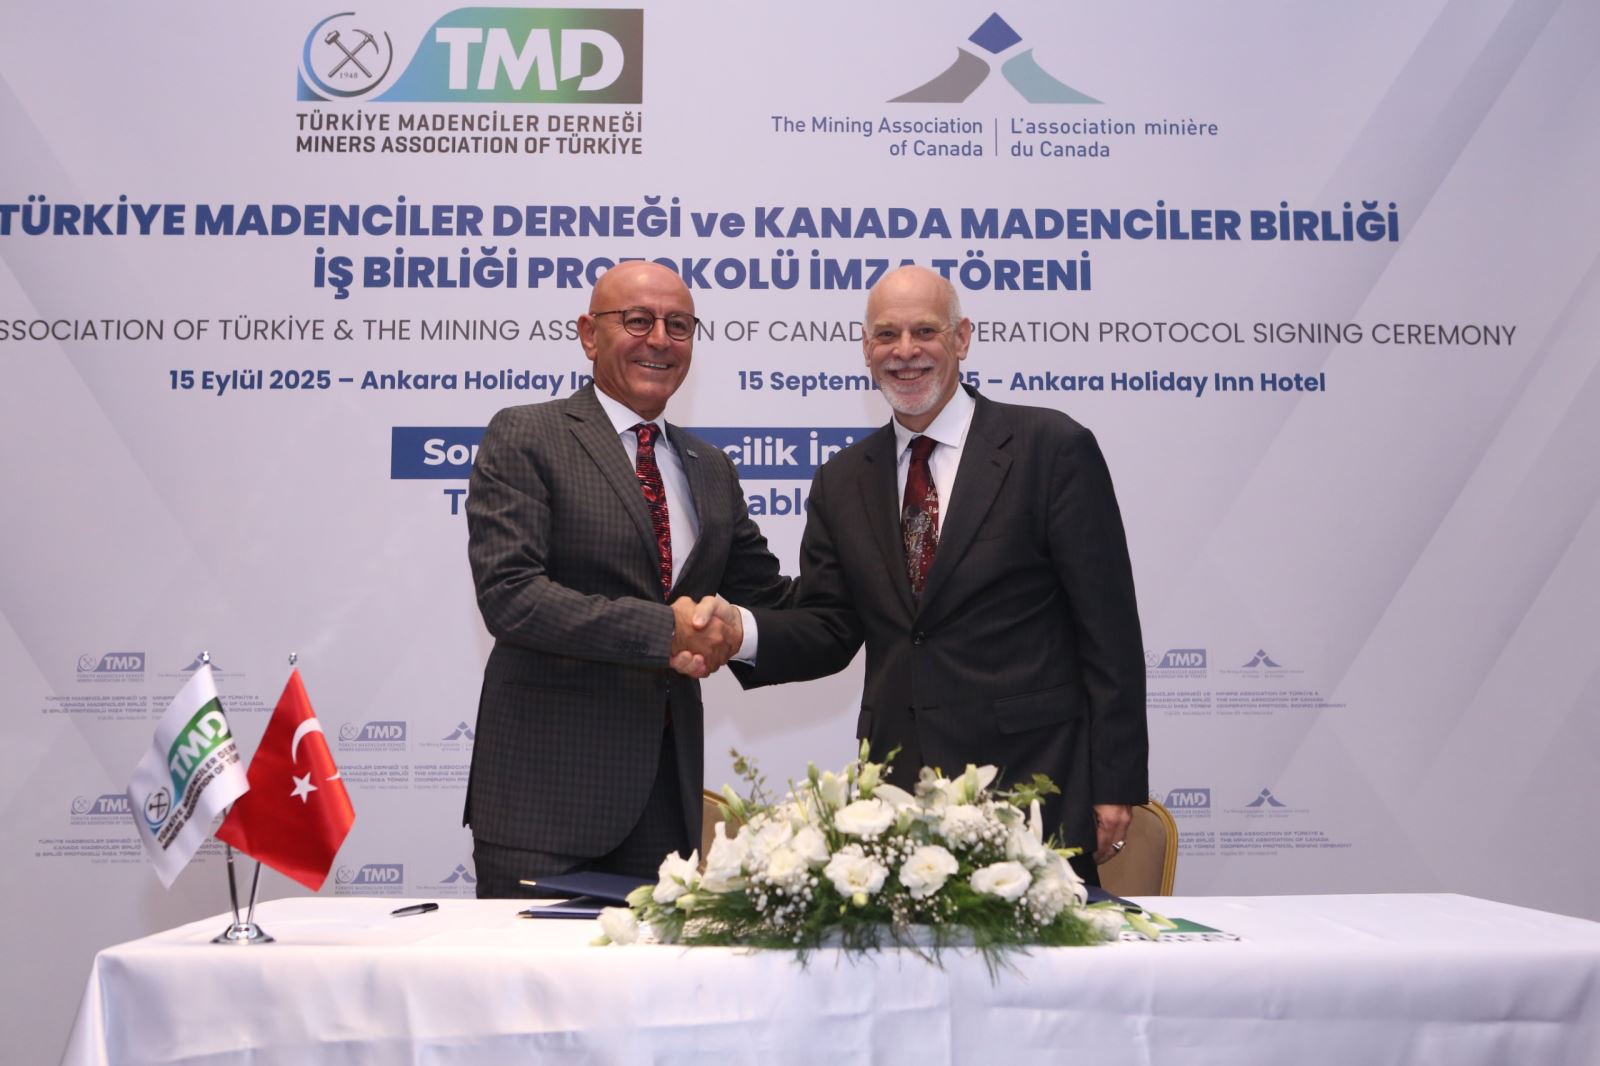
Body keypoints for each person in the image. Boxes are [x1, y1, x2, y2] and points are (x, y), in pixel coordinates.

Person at [720, 265, 1147, 884]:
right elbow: (831, 628)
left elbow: (1109, 632)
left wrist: (1114, 782)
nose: (905, 351)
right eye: (886, 334)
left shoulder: (1050, 447)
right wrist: (739, 634)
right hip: (896, 795)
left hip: (1032, 783)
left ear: (962, 338)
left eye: (925, 331)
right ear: (866, 348)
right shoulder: (842, 480)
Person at [464, 261, 788, 897]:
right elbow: (512, 596)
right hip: (545, 805)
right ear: (589, 334)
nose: (660, 339)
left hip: (666, 808)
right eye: (637, 320)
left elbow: (769, 600)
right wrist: (666, 632)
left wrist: (876, 581)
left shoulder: (710, 467)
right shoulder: (527, 434)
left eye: (679, 325)